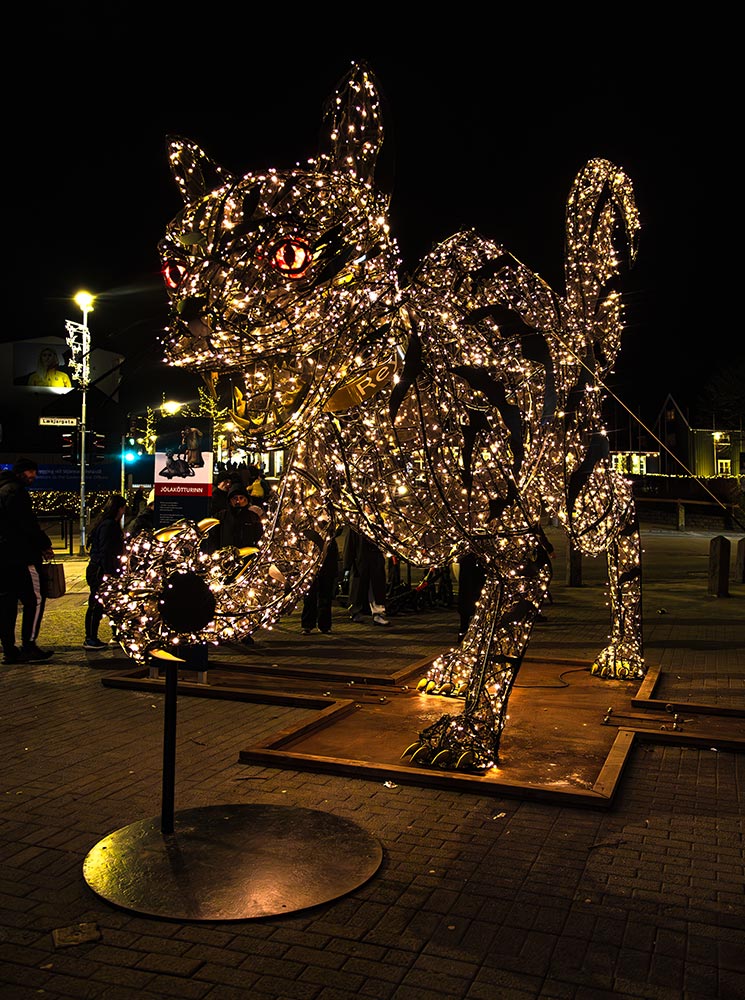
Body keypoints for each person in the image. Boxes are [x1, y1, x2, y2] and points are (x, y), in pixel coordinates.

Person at [0, 458, 55, 663]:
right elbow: (27, 523)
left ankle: (8, 649)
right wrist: (44, 544)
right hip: (21, 557)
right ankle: (29, 644)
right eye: (31, 472)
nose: (34, 476)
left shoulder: (3, 489)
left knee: (6, 603)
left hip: (3, 558)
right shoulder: (16, 492)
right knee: (35, 599)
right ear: (21, 472)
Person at [83, 495, 126, 650]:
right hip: (101, 571)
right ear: (119, 508)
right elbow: (106, 550)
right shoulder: (109, 526)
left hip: (100, 569)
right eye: (123, 508)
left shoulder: (105, 524)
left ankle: (106, 635)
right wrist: (108, 572)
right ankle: (91, 638)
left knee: (107, 604)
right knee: (98, 604)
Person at [344, 526, 389, 626]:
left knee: (375, 588)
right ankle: (355, 611)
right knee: (358, 588)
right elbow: (350, 546)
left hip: (375, 561)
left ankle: (378, 613)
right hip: (361, 561)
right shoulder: (355, 525)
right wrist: (347, 566)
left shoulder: (378, 522)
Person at [301, 532, 340, 635]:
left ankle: (324, 625)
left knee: (325, 595)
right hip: (311, 562)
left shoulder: (330, 534)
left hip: (327, 563)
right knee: (310, 595)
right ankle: (308, 624)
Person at [218, 484, 264, 549]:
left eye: (241, 498)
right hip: (226, 555)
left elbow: (259, 536)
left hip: (247, 554)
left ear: (246, 500)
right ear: (230, 501)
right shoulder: (222, 516)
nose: (238, 501)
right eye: (235, 498)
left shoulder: (252, 517)